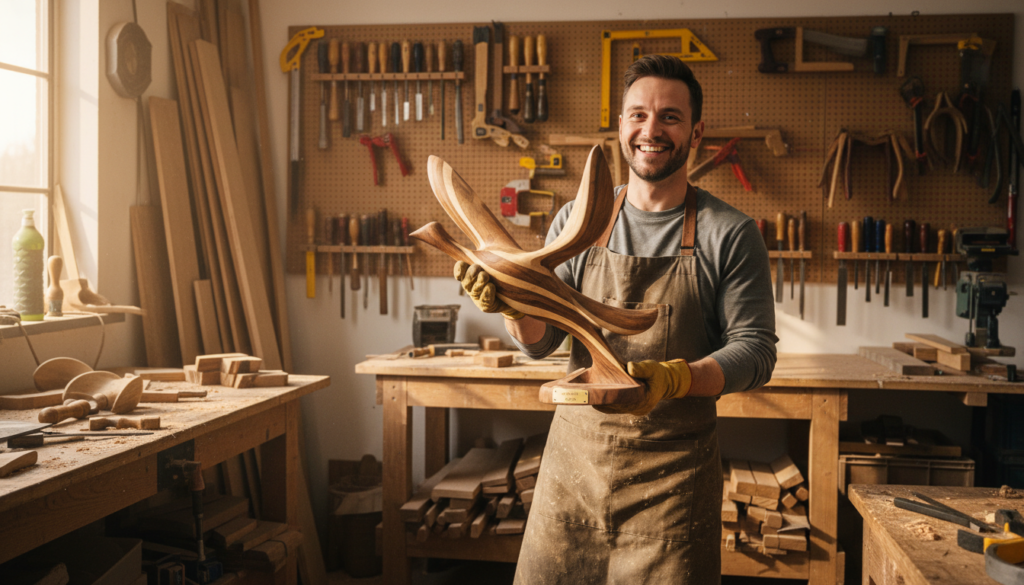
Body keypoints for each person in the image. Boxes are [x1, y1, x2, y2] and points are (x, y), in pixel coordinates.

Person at [455, 54, 777, 583]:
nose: (652, 130)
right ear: (621, 126)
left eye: (670, 117)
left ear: (696, 132)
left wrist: (677, 377)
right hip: (575, 468)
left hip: (672, 477)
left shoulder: (730, 234)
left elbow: (756, 349)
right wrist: (514, 307)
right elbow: (543, 342)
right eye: (638, 115)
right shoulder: (579, 220)